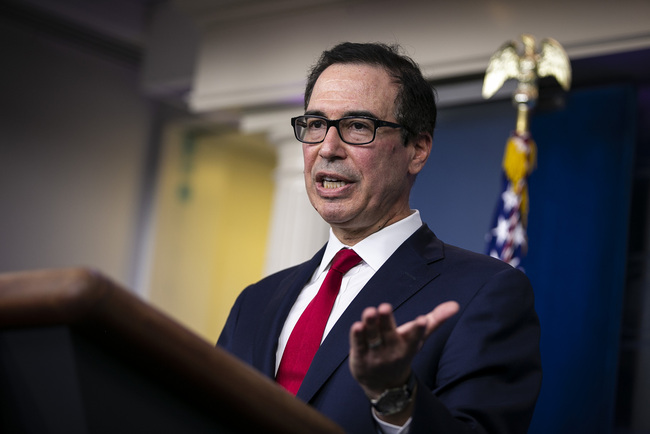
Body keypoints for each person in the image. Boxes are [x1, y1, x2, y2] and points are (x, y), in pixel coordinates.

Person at [217, 42, 541, 433]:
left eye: (357, 126)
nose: (328, 148)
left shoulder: (485, 293)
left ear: (417, 150)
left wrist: (395, 396)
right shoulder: (254, 302)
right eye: (316, 124)